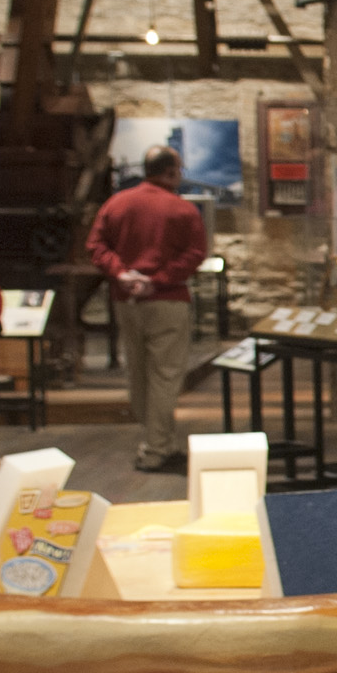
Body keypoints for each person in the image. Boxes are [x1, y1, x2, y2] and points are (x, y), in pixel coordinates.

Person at [89, 143, 210, 473]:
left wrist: (122, 273)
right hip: (167, 300)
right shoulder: (182, 210)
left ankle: (158, 440)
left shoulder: (117, 204)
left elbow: (96, 245)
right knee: (165, 374)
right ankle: (158, 448)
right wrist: (158, 279)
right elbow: (195, 253)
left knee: (138, 370)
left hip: (126, 299)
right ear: (170, 172)